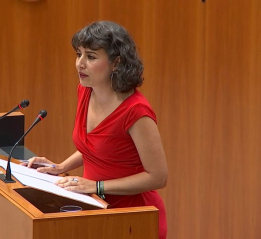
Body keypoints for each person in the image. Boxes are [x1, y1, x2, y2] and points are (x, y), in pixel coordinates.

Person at [24, 21, 168, 238]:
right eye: (78, 54)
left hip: (132, 218)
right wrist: (61, 166)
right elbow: (98, 148)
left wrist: (96, 186)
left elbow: (158, 177)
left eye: (91, 57)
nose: (80, 64)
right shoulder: (86, 91)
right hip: (94, 207)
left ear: (116, 63)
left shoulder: (136, 111)